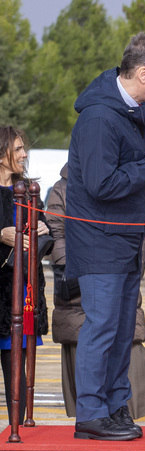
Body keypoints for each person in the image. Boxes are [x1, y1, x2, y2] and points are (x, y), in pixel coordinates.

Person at [65, 33, 145, 441]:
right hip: (99, 241)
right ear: (143, 73)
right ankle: (91, 414)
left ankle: (115, 407)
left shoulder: (138, 110)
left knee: (122, 329)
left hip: (127, 238)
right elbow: (100, 184)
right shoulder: (99, 117)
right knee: (103, 326)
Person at [47, 164, 145, 421]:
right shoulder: (63, 188)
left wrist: (132, 264)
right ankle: (95, 415)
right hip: (78, 282)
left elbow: (140, 232)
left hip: (119, 273)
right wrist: (77, 268)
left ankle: (121, 411)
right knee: (86, 341)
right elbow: (56, 233)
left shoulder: (123, 182)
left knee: (127, 342)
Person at [0, 126, 49, 425]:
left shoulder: (30, 191)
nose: (24, 154)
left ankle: (15, 434)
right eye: (17, 149)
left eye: (24, 148)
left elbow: (43, 237)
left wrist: (44, 230)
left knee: (17, 371)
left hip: (20, 294)